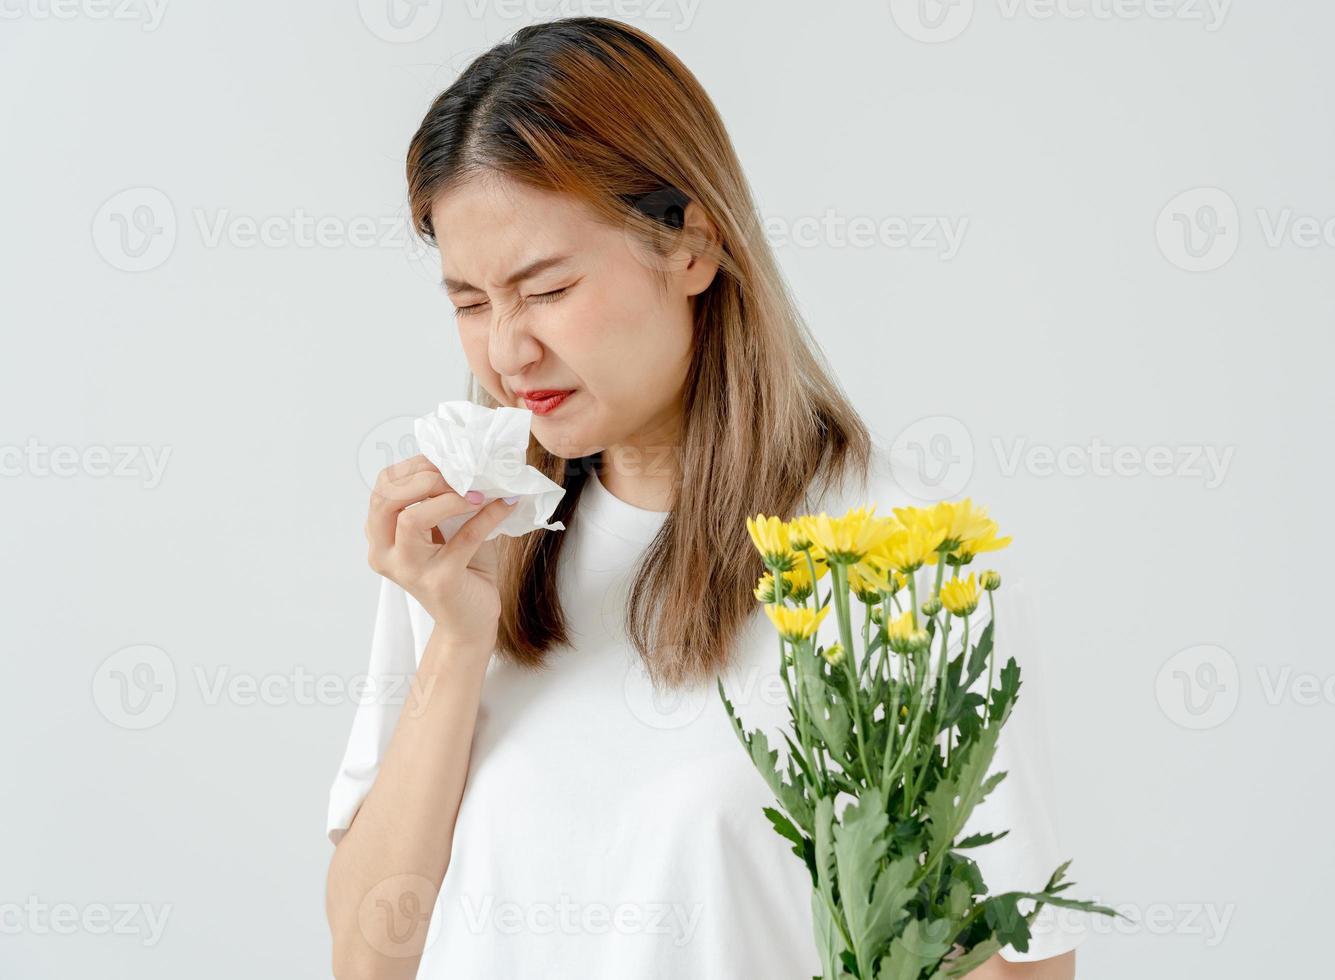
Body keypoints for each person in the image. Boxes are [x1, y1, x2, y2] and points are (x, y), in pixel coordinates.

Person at [324, 17, 1083, 979]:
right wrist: (458, 639)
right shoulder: (461, 552)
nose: (508, 352)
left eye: (546, 288)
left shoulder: (900, 560)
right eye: (469, 302)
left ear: (690, 247)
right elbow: (365, 956)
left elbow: (1002, 965)